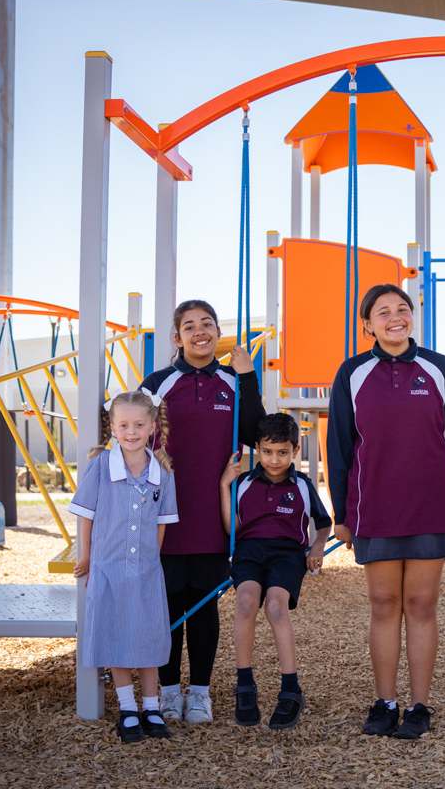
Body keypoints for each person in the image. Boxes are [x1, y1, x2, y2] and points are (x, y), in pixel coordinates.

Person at [327, 283, 445, 740]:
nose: (396, 317)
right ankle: (385, 702)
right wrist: (341, 514)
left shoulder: (439, 368)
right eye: (384, 312)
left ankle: (419, 707)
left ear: (413, 317)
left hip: (431, 505)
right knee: (383, 604)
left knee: (421, 605)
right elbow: (339, 448)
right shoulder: (352, 372)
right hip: (375, 508)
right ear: (366, 324)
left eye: (403, 309)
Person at [139, 300, 265, 724]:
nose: (199, 332)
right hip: (167, 511)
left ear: (217, 332)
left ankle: (201, 693)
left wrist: (247, 374)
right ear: (177, 337)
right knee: (170, 605)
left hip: (213, 510)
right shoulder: (158, 382)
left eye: (207, 324)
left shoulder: (233, 380)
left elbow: (254, 431)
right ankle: (169, 690)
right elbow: (132, 432)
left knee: (205, 606)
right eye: (189, 326)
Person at [71, 389, 179, 743]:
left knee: (148, 637)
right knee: (115, 634)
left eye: (138, 424)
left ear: (151, 426)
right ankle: (127, 707)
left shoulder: (162, 471)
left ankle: (152, 706)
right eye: (123, 425)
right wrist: (86, 556)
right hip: (107, 569)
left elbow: (162, 522)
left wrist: (152, 557)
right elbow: (86, 517)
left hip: (146, 572)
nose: (131, 431)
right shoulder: (100, 465)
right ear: (113, 428)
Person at [220, 413, 331, 730]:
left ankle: (290, 688)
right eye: (267, 451)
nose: (274, 459)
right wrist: (224, 485)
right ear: (257, 448)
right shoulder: (243, 484)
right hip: (249, 550)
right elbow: (232, 529)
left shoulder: (302, 485)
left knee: (275, 608)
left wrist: (318, 547)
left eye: (282, 452)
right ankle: (245, 685)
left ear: (295, 451)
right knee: (245, 603)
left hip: (287, 553)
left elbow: (323, 525)